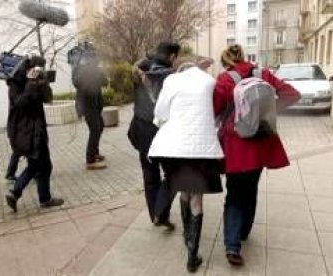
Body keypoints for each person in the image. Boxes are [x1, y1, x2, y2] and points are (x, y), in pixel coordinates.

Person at [213, 45, 300, 266]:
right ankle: (243, 232)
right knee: (251, 190)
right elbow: (292, 94)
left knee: (234, 195)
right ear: (243, 58)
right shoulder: (264, 74)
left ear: (226, 61)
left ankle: (233, 246)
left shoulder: (225, 79)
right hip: (262, 143)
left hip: (237, 145)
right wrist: (270, 111)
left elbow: (214, 108)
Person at [148, 61, 223, 272]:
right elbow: (216, 112)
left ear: (180, 70)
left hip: (176, 148)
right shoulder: (210, 81)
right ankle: (192, 255)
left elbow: (160, 112)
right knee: (197, 200)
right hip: (202, 147)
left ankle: (186, 237)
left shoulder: (171, 80)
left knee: (183, 191)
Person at [128, 42, 181, 229]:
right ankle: (161, 211)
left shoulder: (140, 68)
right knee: (174, 174)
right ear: (173, 56)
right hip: (164, 132)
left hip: (143, 131)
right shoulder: (172, 76)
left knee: (150, 175)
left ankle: (156, 216)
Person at [5, 56, 64, 212]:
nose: (39, 71)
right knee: (39, 165)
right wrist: (31, 83)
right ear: (28, 67)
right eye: (37, 68)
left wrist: (43, 82)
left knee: (40, 165)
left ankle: (20, 194)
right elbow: (20, 103)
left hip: (37, 130)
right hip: (25, 131)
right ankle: (19, 193)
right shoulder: (16, 83)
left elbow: (48, 98)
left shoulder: (37, 79)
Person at [73, 56, 108, 170]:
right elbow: (79, 84)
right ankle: (90, 160)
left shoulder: (96, 71)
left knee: (100, 127)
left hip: (95, 105)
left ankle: (95, 152)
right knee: (95, 130)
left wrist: (99, 72)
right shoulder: (81, 72)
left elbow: (105, 82)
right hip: (87, 106)